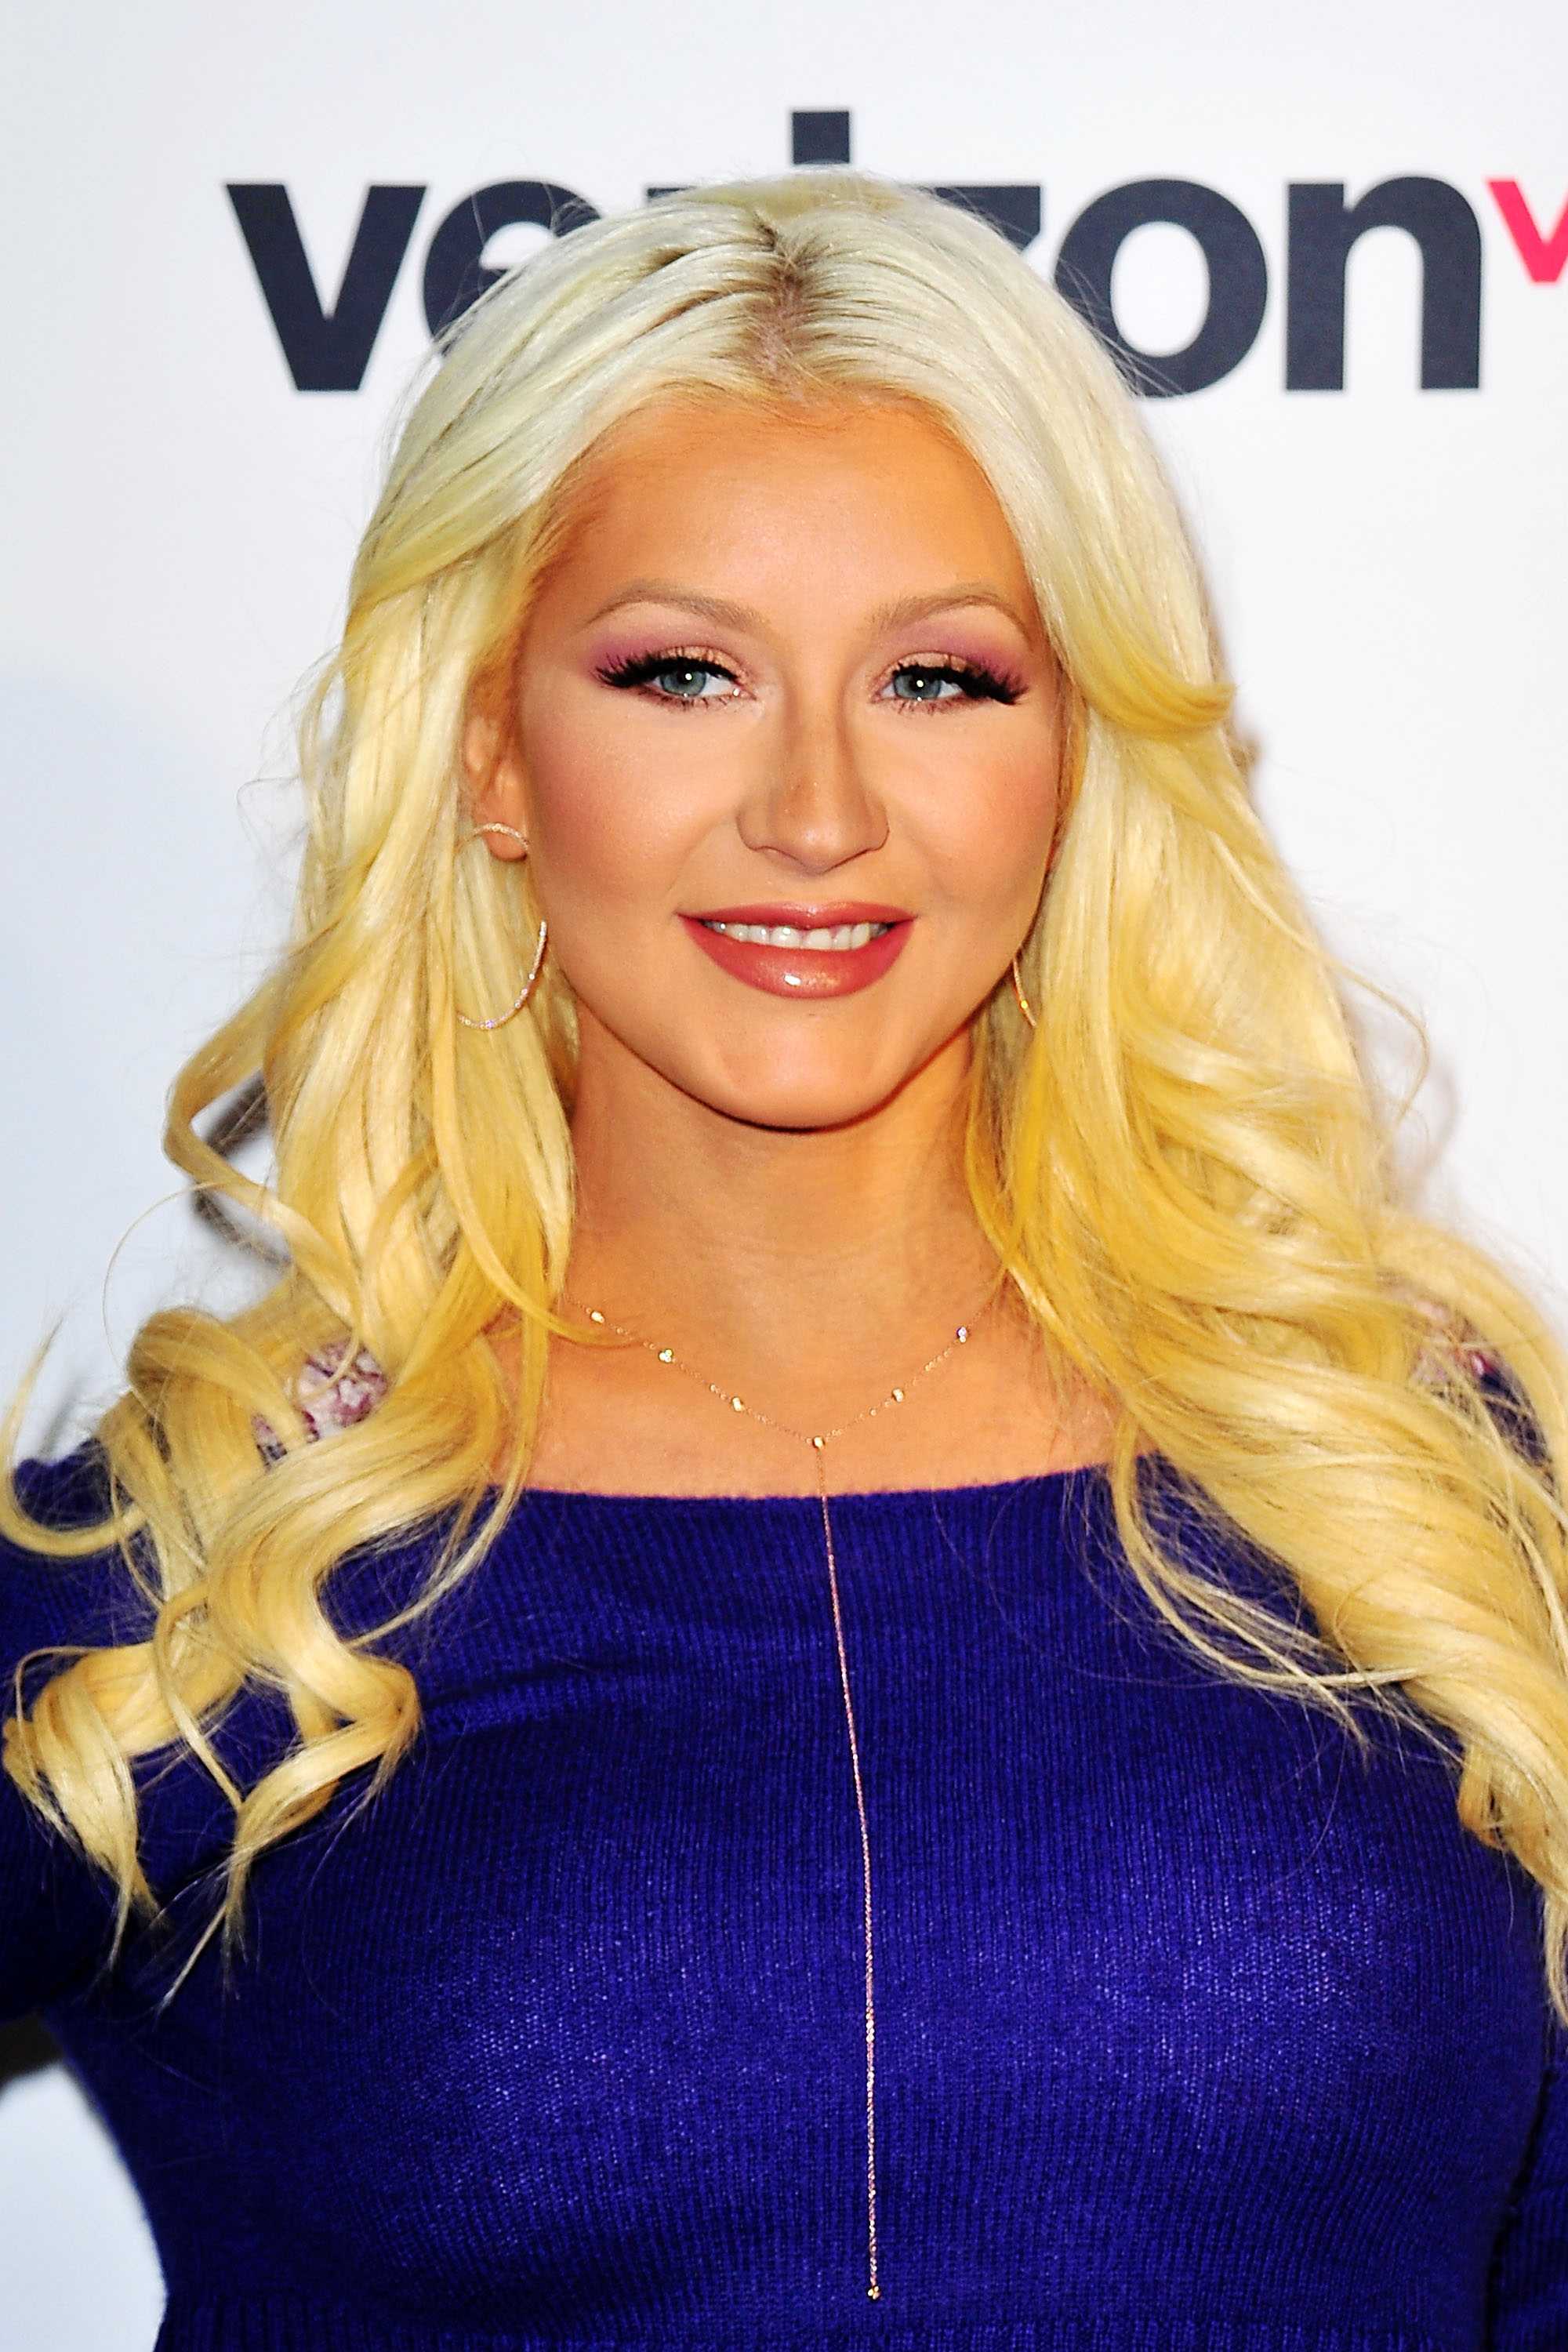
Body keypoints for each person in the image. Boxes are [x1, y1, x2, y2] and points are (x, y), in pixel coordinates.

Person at [2, 164, 1566, 2350]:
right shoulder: (205, 1572)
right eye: (684, 672)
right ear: (491, 751)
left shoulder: (1426, 1496)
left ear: (1074, 751)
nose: (818, 812)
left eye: (937, 677)